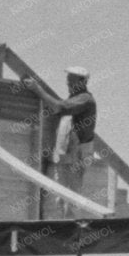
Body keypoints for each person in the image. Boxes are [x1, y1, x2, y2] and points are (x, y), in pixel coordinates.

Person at [23, 66, 98, 204]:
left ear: (82, 82)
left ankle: (74, 225)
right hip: (66, 155)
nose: (67, 83)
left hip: (77, 155)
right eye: (68, 80)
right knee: (59, 197)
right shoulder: (74, 99)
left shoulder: (85, 99)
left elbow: (59, 107)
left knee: (72, 197)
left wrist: (37, 89)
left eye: (71, 80)